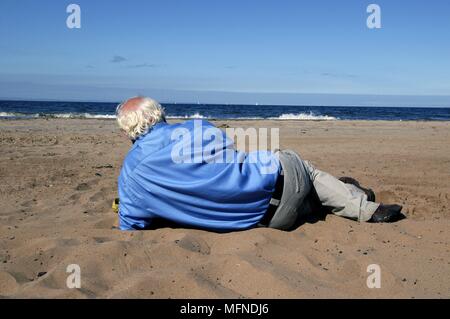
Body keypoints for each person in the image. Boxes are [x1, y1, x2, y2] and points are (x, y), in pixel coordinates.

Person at [115, 96, 403, 231]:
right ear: (159, 115)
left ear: (128, 131)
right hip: (280, 187)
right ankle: (366, 208)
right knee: (296, 164)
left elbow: (130, 223)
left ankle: (339, 193)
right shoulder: (193, 129)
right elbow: (227, 148)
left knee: (307, 193)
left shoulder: (129, 176)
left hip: (269, 222)